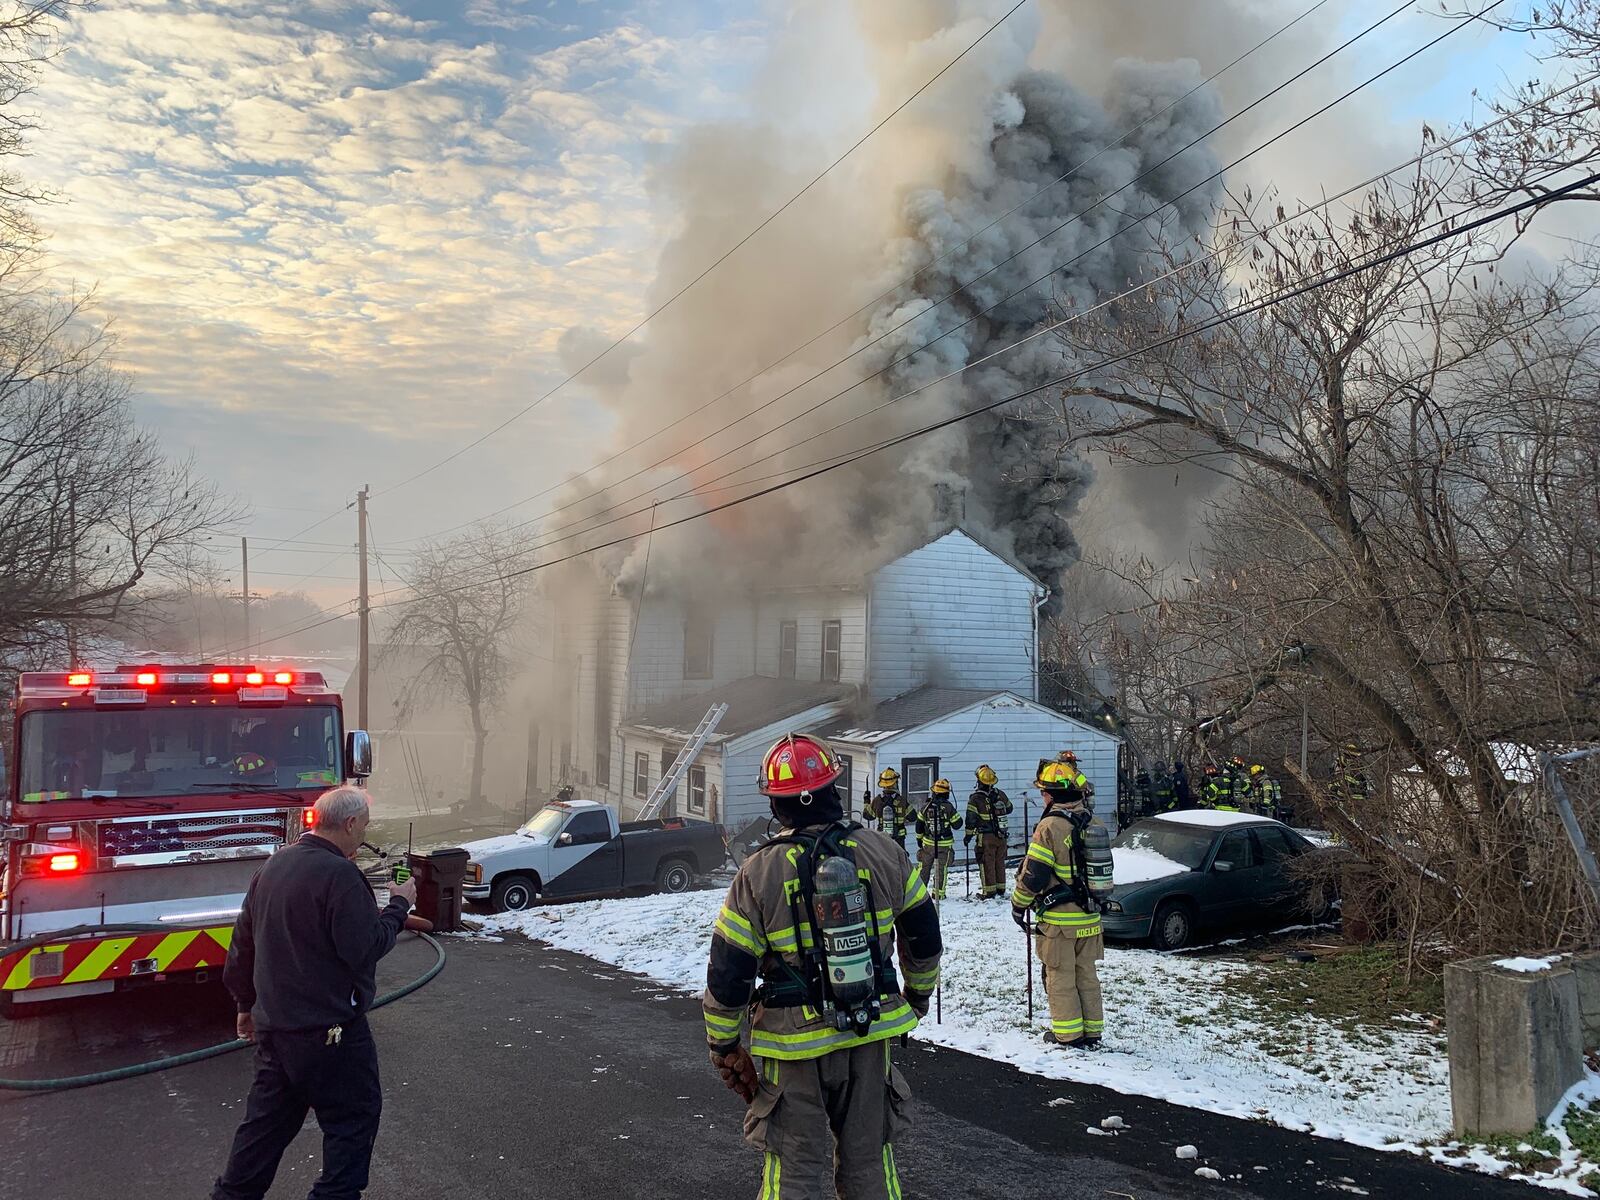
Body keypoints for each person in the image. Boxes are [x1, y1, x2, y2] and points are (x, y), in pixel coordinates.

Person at [703, 733, 942, 1200]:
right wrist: (915, 999)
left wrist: (724, 1045)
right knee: (870, 1165)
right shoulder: (885, 852)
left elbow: (728, 973)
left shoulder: (757, 872)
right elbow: (925, 939)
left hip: (791, 1048)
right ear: (836, 787)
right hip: (868, 1033)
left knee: (792, 1171)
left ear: (776, 805)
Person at [211, 786, 418, 1200]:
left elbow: (242, 944)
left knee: (264, 1131)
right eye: (364, 826)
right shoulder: (341, 876)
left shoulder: (274, 865)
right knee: (352, 1121)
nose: (364, 834)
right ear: (350, 823)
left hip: (276, 1030)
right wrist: (399, 906)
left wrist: (244, 1004)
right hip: (331, 1034)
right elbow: (364, 949)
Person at [1011, 764, 1105, 1050]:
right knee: (1087, 976)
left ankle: (1067, 1035)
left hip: (1060, 922)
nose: (1042, 799)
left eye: (1043, 793)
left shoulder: (1050, 826)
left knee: (1060, 978)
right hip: (1090, 919)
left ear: (1052, 796)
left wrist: (1018, 905)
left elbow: (1034, 874)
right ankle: (1092, 1032)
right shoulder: (1094, 823)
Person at [963, 765, 1013, 899]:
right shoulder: (1000, 794)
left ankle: (989, 892)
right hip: (1001, 837)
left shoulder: (975, 799)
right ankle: (1001, 889)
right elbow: (1010, 809)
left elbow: (970, 819)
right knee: (999, 862)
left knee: (986, 863)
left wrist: (968, 836)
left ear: (979, 781)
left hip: (985, 837)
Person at [914, 778, 962, 900]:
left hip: (928, 844)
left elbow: (919, 825)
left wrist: (919, 839)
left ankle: (919, 894)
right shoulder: (949, 807)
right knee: (941, 869)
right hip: (944, 845)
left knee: (923, 868)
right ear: (947, 793)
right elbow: (958, 824)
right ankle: (938, 894)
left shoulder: (925, 807)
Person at [863, 767, 911, 855]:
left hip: (882, 837)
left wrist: (866, 801)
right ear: (895, 783)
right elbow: (913, 817)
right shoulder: (902, 800)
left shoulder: (877, 800)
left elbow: (868, 816)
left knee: (884, 860)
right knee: (900, 861)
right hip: (899, 839)